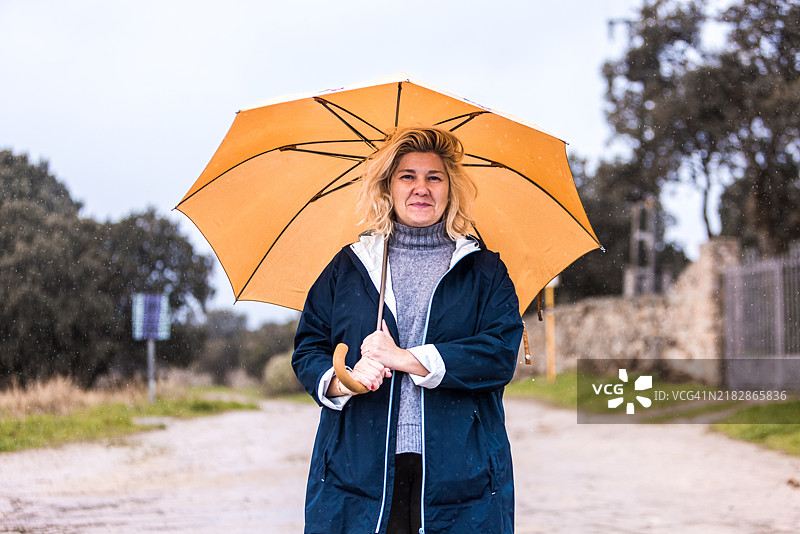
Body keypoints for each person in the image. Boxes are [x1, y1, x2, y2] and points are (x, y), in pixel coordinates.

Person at [292, 126, 523, 534]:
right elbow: (309, 347)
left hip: (461, 474)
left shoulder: (485, 271)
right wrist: (345, 380)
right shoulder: (348, 267)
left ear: (450, 189)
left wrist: (405, 358)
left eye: (434, 177)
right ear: (388, 187)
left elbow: (499, 354)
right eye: (407, 176)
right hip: (357, 472)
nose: (421, 188)